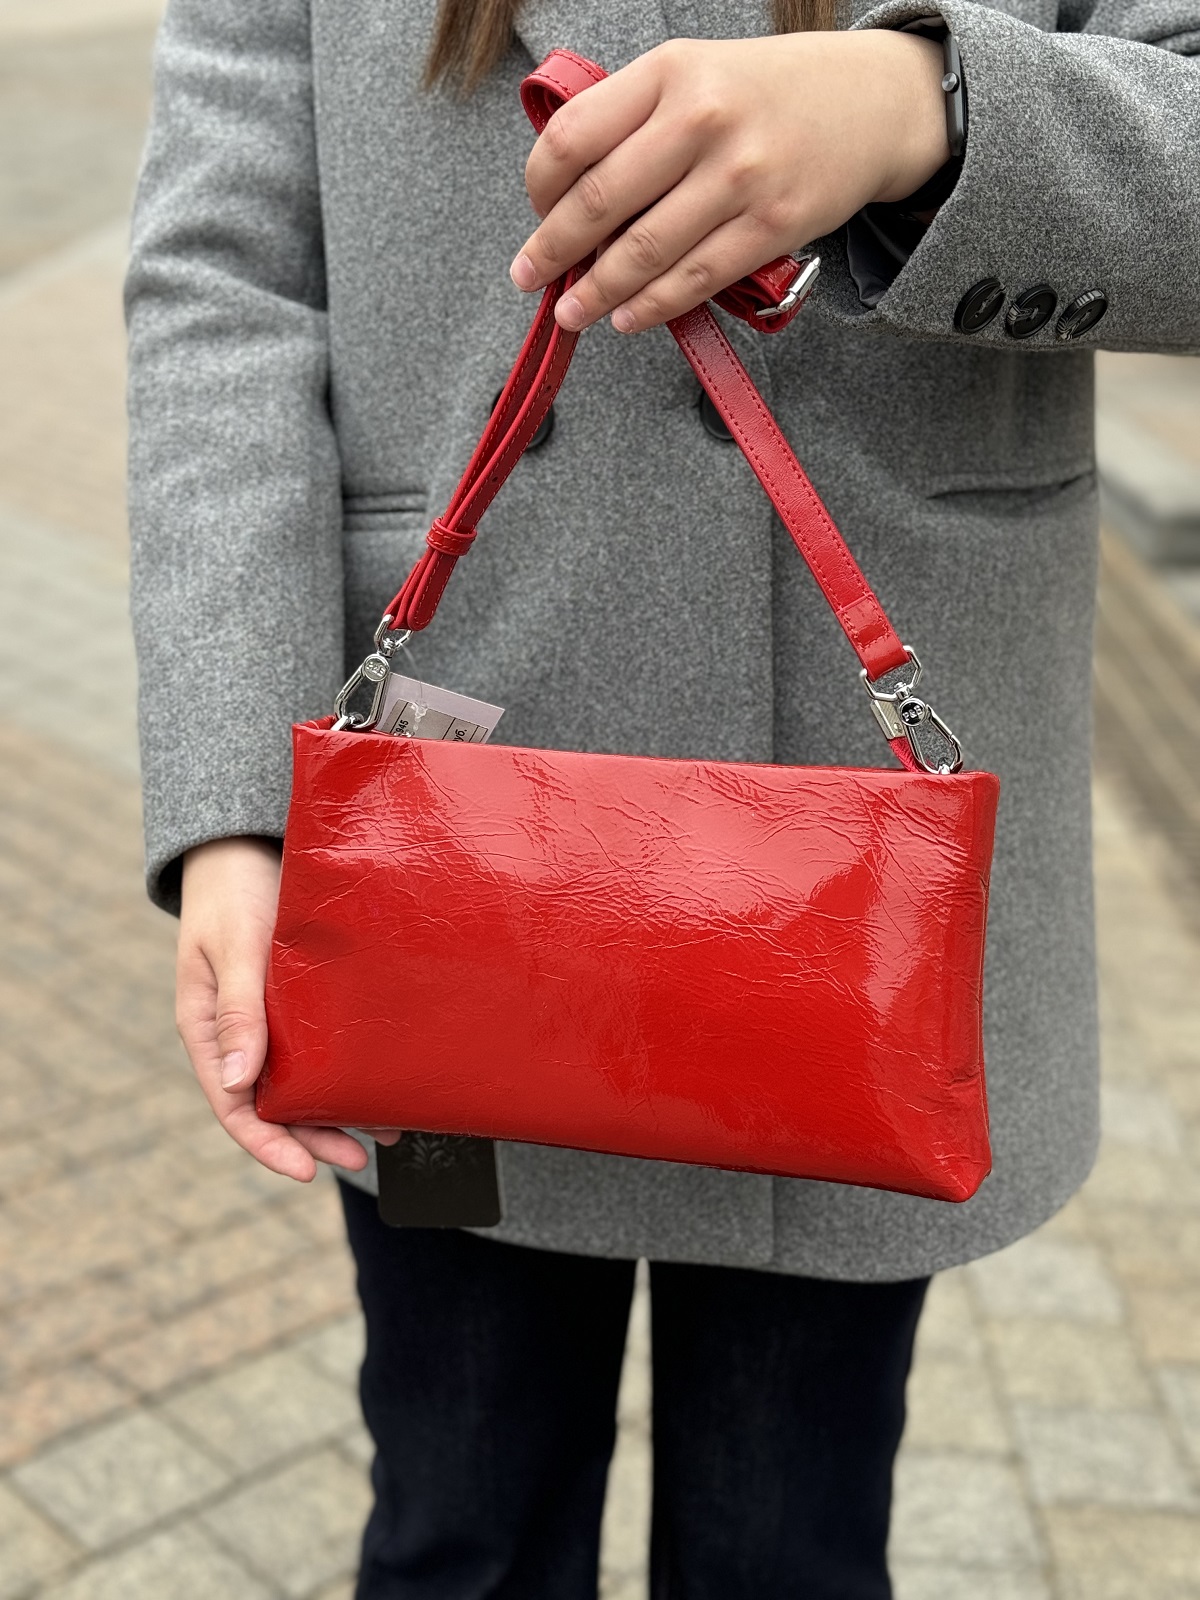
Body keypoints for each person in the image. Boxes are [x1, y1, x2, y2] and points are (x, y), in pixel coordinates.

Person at [125, 0, 1200, 1594]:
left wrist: (928, 108)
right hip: (452, 851)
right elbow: (226, 279)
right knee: (459, 1525)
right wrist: (232, 803)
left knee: (791, 1544)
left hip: (849, 880)